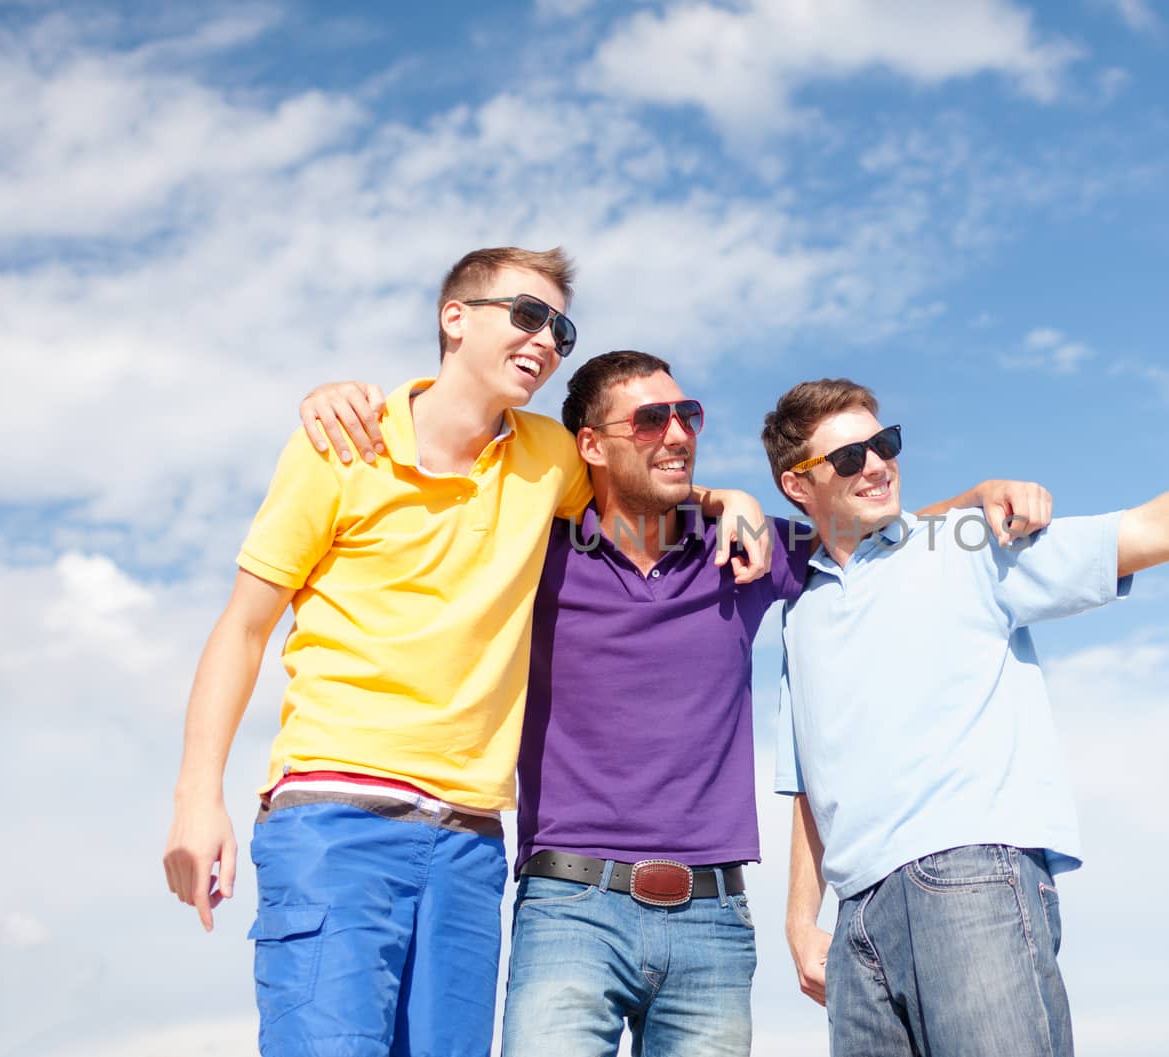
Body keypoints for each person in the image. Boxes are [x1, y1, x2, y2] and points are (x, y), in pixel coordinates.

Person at [297, 352, 1049, 1057]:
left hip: (714, 922)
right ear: (589, 445)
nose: (679, 433)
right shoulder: (536, 550)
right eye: (651, 420)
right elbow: (450, 472)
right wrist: (345, 400)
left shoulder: (743, 551)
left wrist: (974, 503)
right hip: (566, 909)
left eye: (686, 413)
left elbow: (864, 527)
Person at [161, 248, 764, 1057]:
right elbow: (241, 628)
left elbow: (643, 476)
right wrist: (198, 799)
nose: (546, 340)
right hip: (336, 822)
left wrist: (731, 495)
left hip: (471, 847)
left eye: (561, 328)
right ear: (455, 317)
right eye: (527, 315)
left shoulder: (549, 457)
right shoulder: (340, 444)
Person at [761, 378, 1169, 1057]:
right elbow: (810, 773)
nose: (875, 464)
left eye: (883, 443)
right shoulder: (799, 614)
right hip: (857, 920)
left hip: (968, 882)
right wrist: (799, 919)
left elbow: (1154, 529)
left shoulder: (963, 545)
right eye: (847, 458)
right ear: (796, 485)